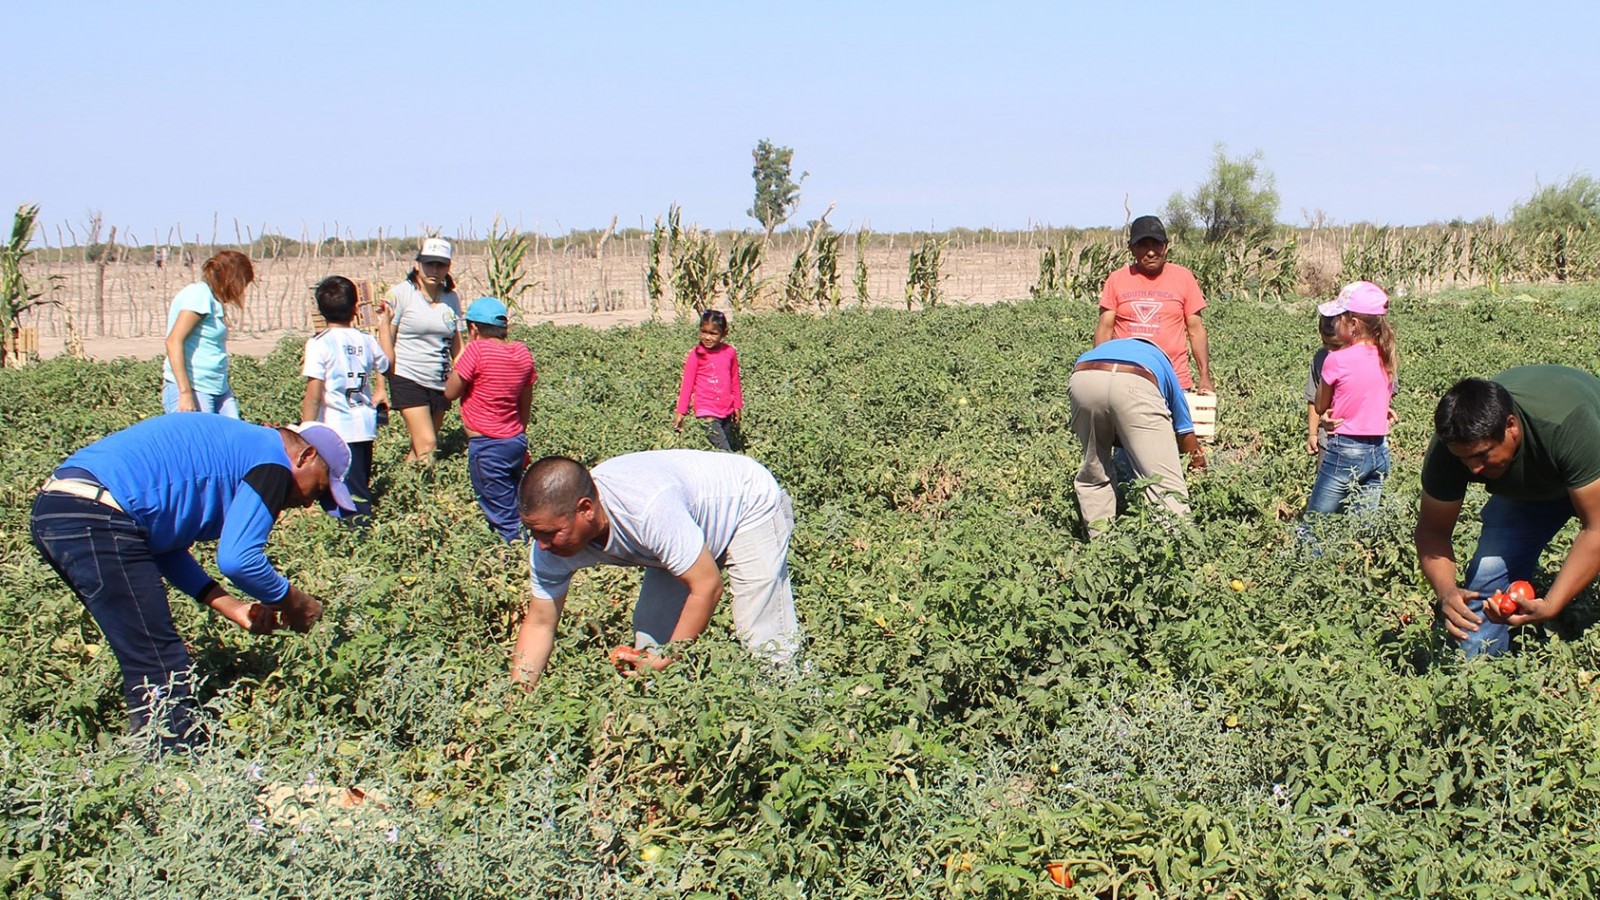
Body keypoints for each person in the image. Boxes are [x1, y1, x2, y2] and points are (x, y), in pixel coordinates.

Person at [29, 415, 351, 749]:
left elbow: (162, 548)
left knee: (145, 651)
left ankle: (157, 757)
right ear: (305, 456)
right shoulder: (272, 461)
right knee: (158, 662)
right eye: (319, 489)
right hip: (95, 515)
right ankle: (168, 766)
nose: (308, 503)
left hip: (59, 509)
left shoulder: (242, 450)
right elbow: (239, 559)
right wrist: (295, 602)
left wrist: (234, 608)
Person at [510, 451, 801, 688]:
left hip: (745, 504)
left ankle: (796, 704)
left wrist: (665, 659)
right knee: (651, 636)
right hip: (682, 528)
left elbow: (707, 587)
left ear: (586, 508)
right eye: (534, 532)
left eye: (551, 533)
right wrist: (518, 701)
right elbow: (539, 623)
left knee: (762, 636)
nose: (542, 545)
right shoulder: (549, 545)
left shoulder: (646, 510)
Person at [1416, 367, 1600, 657]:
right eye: (1464, 459)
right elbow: (1432, 531)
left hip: (1589, 458)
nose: (1474, 468)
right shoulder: (1452, 446)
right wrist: (1446, 591)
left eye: (1482, 454)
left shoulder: (1567, 426)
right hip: (1532, 487)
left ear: (1511, 426)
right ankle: (1475, 672)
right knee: (1486, 578)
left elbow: (1597, 529)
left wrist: (1552, 603)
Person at [1070, 336, 1207, 537]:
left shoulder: (1110, 348)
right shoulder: (1163, 364)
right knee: (1163, 482)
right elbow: (1184, 429)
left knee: (1095, 469)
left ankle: (1101, 544)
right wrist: (1198, 462)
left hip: (1084, 378)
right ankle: (1179, 542)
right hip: (1135, 381)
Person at [444, 297, 536, 542]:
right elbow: (525, 402)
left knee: (502, 512)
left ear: (473, 328)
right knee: (516, 499)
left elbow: (450, 392)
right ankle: (529, 539)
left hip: (487, 447)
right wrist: (519, 434)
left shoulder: (476, 351)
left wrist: (459, 363)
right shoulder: (522, 352)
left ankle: (517, 551)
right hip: (515, 441)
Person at [301, 275, 390, 524]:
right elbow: (386, 364)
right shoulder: (366, 340)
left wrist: (305, 430)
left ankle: (358, 533)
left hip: (335, 429)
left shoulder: (319, 344)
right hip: (363, 425)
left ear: (320, 310)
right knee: (358, 483)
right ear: (355, 308)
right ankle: (356, 528)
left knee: (341, 490)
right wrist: (385, 325)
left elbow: (314, 394)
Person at [1304, 282, 1396, 516]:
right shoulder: (1386, 355)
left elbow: (1320, 404)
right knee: (1362, 525)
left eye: (1340, 318)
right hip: (1380, 450)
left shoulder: (1335, 359)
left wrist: (1327, 410)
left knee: (1315, 522)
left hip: (1346, 449)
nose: (1336, 323)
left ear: (1353, 324)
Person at [1094, 215, 1213, 394]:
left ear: (1165, 246)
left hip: (1173, 381)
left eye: (1156, 244)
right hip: (1125, 379)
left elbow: (1196, 330)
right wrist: (1099, 371)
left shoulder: (1183, 278)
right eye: (1143, 245)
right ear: (1132, 249)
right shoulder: (1116, 279)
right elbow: (1105, 329)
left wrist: (1204, 375)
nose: (1150, 252)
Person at [377, 237, 462, 463]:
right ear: (417, 264)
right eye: (429, 264)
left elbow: (457, 344)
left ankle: (405, 482)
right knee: (428, 444)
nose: (434, 270)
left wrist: (464, 378)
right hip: (407, 376)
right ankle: (427, 487)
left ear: (448, 267)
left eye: (440, 264)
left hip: (440, 380)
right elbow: (385, 342)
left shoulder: (451, 298)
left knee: (421, 448)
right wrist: (381, 385)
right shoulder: (400, 294)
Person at [162, 249, 253, 416]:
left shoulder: (213, 299)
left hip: (218, 388)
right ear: (232, 280)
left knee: (233, 431)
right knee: (199, 433)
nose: (242, 291)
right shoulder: (199, 295)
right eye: (243, 284)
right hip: (195, 388)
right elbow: (173, 341)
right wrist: (185, 393)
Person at [673, 309, 743, 451]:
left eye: (713, 333)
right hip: (706, 410)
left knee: (719, 451)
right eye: (704, 332)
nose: (707, 337)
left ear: (724, 333)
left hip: (726, 408)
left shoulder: (729, 352)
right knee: (725, 452)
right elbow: (687, 385)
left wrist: (737, 405)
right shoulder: (696, 354)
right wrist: (681, 412)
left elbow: (734, 380)